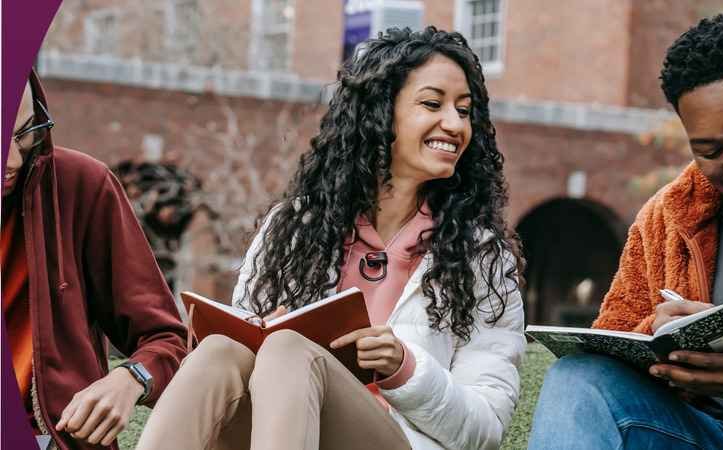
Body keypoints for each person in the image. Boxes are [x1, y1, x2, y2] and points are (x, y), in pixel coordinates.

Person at [136, 26, 525, 450]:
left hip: (395, 441)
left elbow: (486, 429)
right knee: (220, 352)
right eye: (432, 104)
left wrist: (405, 368)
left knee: (290, 348)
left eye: (465, 111)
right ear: (379, 112)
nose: (454, 124)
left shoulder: (481, 255)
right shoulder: (293, 228)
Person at [528, 11, 723, 450]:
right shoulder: (667, 216)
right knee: (577, 378)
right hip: (704, 435)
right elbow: (614, 338)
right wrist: (657, 335)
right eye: (711, 151)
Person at [2, 70, 187, 450]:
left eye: (24, 133)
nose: (14, 159)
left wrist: (132, 378)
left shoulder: (81, 185)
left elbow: (167, 339)